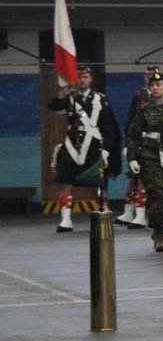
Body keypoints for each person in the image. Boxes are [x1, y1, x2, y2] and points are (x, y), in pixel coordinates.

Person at [47, 66, 121, 232]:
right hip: (72, 145)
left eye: (85, 76)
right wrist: (62, 92)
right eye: (79, 77)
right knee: (66, 180)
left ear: (91, 79)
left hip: (93, 145)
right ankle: (66, 220)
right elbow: (52, 106)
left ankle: (104, 211)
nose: (82, 80)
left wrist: (107, 149)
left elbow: (108, 127)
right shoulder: (69, 97)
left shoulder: (100, 99)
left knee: (98, 184)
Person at [125, 70, 163, 251]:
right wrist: (132, 158)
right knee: (156, 193)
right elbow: (133, 134)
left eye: (159, 85)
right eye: (152, 85)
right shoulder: (145, 109)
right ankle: (159, 232)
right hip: (150, 155)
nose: (155, 88)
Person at [116, 65, 160, 228]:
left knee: (144, 179)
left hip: (157, 143)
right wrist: (128, 144)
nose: (150, 78)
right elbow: (130, 120)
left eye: (154, 75)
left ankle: (141, 215)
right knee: (134, 177)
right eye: (147, 75)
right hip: (140, 141)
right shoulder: (139, 95)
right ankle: (130, 211)